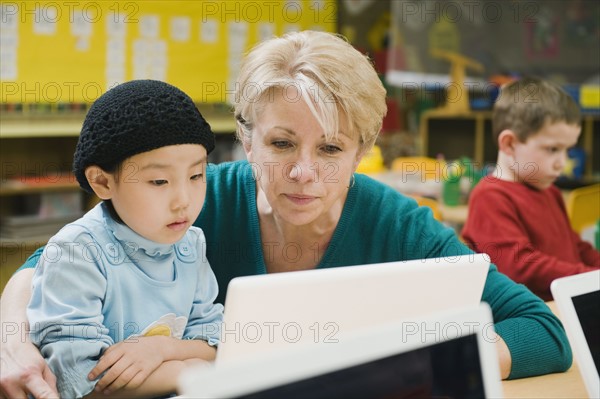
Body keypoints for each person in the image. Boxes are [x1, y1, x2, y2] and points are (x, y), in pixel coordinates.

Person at [1, 31, 572, 398]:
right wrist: (11, 342)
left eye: (330, 149)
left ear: (361, 151)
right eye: (280, 145)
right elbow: (45, 262)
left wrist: (424, 360)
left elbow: (542, 330)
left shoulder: (399, 223)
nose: (303, 173)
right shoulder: (200, 199)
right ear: (245, 141)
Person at [22, 80, 224, 398]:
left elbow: (215, 341)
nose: (183, 200)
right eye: (159, 181)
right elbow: (77, 380)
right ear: (103, 182)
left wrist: (162, 349)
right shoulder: (77, 252)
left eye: (196, 176)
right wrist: (184, 369)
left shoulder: (190, 243)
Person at [462, 77, 600, 301]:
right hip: (528, 320)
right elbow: (522, 268)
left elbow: (576, 247)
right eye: (552, 149)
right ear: (509, 144)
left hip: (562, 307)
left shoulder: (549, 191)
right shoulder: (490, 197)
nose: (562, 163)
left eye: (567, 150)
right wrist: (588, 279)